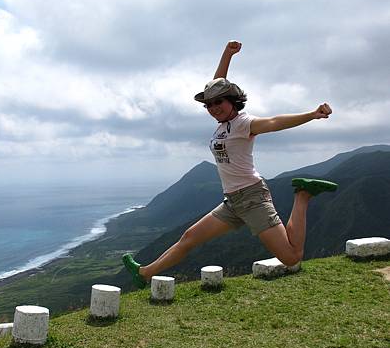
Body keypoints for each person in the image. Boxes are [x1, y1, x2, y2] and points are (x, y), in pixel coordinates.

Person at [123, 40, 337, 288]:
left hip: (253, 198)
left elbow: (275, 122)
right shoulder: (223, 125)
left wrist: (311, 114)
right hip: (233, 201)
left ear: (233, 101)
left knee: (291, 257)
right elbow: (217, 85)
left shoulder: (244, 124)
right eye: (209, 105)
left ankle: (303, 195)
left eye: (219, 103)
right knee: (190, 237)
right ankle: (144, 274)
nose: (213, 108)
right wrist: (227, 55)